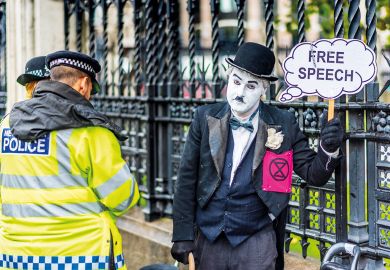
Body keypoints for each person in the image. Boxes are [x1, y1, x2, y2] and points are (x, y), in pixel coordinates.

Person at [170, 42, 343, 270]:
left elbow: (314, 174)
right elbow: (186, 179)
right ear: (228, 78)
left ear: (263, 89)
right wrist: (182, 234)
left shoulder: (283, 122)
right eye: (236, 81)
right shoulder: (204, 118)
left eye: (251, 86)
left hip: (256, 240)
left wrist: (328, 147)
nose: (240, 92)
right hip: (209, 237)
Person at [0, 50, 139, 270]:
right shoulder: (91, 131)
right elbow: (122, 198)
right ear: (84, 84)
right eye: (91, 89)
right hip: (81, 258)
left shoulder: (7, 125)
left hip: (16, 257)